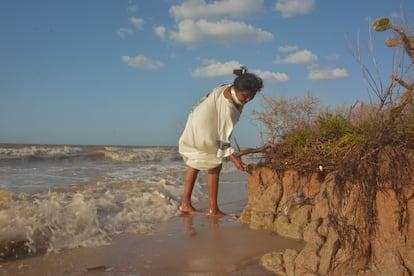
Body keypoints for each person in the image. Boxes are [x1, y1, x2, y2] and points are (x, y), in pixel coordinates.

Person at [178, 66, 263, 216]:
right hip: (204, 129)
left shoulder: (228, 88)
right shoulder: (229, 106)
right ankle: (213, 209)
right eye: (246, 96)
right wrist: (235, 159)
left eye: (252, 96)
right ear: (237, 89)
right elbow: (223, 138)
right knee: (215, 165)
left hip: (196, 121)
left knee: (195, 162)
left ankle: (185, 204)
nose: (248, 100)